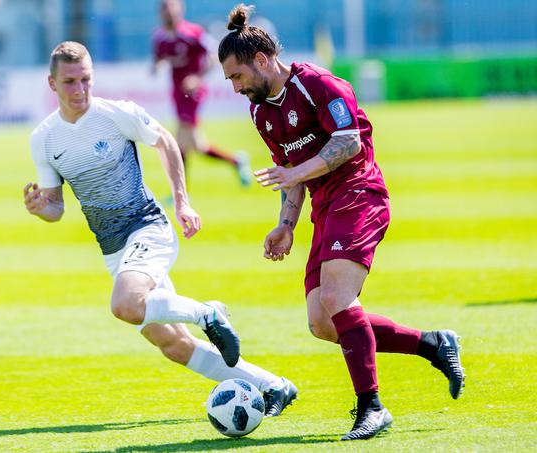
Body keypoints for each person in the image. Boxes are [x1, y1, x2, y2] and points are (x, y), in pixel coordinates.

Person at [217, 5, 465, 441]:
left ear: (261, 60)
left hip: (359, 192)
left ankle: (372, 407)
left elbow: (348, 142)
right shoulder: (260, 113)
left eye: (236, 76)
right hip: (324, 205)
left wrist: (295, 174)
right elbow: (288, 172)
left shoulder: (318, 83)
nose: (235, 88)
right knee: (323, 323)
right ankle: (432, 344)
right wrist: (286, 224)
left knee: (335, 295)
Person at [23, 41, 297, 416]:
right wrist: (41, 208)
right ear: (52, 84)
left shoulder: (115, 114)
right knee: (172, 344)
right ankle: (272, 385)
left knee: (125, 304)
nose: (81, 90)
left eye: (86, 79)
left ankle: (208, 314)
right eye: (70, 82)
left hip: (147, 228)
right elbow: (55, 207)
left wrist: (181, 200)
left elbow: (166, 142)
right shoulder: (44, 139)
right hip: (114, 250)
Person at [151, 0, 252, 187]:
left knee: (180, 141)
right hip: (177, 92)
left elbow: (215, 57)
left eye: (171, 9)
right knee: (195, 145)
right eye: (164, 10)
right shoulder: (159, 37)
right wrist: (156, 66)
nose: (168, 14)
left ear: (179, 11)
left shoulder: (193, 33)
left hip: (194, 92)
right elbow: (158, 59)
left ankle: (180, 192)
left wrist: (197, 78)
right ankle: (236, 162)